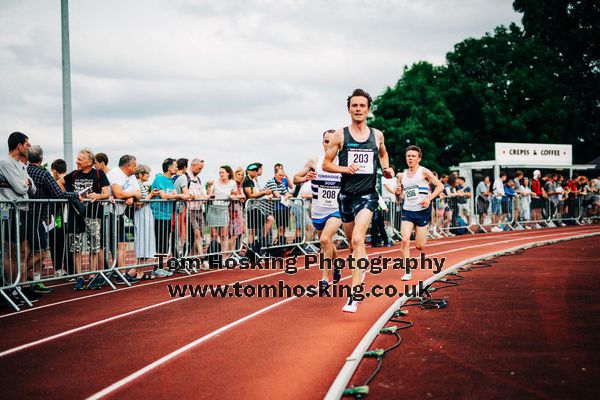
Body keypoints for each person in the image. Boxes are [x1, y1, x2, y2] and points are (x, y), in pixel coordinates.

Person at [322, 88, 394, 313]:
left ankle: (354, 295)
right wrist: (345, 168)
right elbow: (326, 164)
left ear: (368, 109)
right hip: (346, 197)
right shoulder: (340, 135)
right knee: (354, 246)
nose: (358, 109)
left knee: (357, 240)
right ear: (349, 109)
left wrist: (386, 169)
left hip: (368, 196)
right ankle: (360, 267)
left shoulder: (377, 134)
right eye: (354, 106)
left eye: (362, 106)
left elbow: (383, 153)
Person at [294, 129, 343, 287]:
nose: (329, 145)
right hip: (318, 211)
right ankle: (337, 265)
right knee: (327, 243)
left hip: (336, 210)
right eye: (326, 142)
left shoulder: (343, 163)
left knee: (324, 239)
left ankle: (324, 279)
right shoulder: (315, 161)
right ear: (322, 143)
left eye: (332, 142)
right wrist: (304, 178)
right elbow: (295, 179)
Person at [59, 149, 111, 290]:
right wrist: (70, 195)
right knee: (75, 247)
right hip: (75, 214)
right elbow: (60, 182)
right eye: (77, 158)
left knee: (94, 246)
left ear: (89, 162)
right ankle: (79, 277)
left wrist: (97, 196)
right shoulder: (75, 174)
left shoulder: (99, 174)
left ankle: (92, 275)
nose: (77, 161)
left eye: (80, 159)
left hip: (93, 214)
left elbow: (107, 193)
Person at [397, 145, 444, 281]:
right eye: (408, 156)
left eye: (413, 156)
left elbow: (440, 186)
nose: (410, 158)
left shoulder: (424, 172)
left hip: (422, 211)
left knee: (419, 246)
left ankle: (424, 232)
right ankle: (407, 271)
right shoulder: (402, 175)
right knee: (405, 240)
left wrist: (429, 198)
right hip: (408, 211)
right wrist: (398, 193)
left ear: (419, 158)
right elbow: (400, 195)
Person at [0, 132, 35, 305]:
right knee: (11, 251)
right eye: (27, 144)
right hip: (11, 211)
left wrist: (26, 184)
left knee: (21, 251)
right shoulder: (5, 162)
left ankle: (18, 287)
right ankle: (10, 288)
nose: (29, 147)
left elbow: (31, 188)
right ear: (19, 146)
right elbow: (21, 188)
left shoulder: (21, 164)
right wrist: (25, 184)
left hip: (22, 210)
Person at [107, 155, 141, 283]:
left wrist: (131, 197)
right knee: (113, 245)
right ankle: (119, 273)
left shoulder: (131, 176)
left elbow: (138, 193)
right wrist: (132, 195)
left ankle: (120, 272)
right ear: (128, 166)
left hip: (119, 214)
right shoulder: (115, 174)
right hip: (109, 213)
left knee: (122, 244)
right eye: (134, 166)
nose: (136, 168)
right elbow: (118, 194)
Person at [207, 165, 242, 265]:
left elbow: (236, 195)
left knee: (224, 235)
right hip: (213, 209)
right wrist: (209, 187)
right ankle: (214, 257)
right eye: (220, 172)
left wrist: (233, 196)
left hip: (224, 209)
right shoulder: (215, 182)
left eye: (222, 172)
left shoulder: (232, 183)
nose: (221, 174)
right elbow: (210, 194)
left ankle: (224, 258)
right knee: (214, 235)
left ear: (228, 173)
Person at [133, 164, 159, 274]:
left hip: (145, 213)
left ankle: (138, 271)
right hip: (142, 214)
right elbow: (139, 204)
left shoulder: (141, 185)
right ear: (140, 174)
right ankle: (138, 271)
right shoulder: (137, 185)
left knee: (145, 241)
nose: (149, 175)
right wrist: (151, 195)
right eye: (147, 173)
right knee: (143, 240)